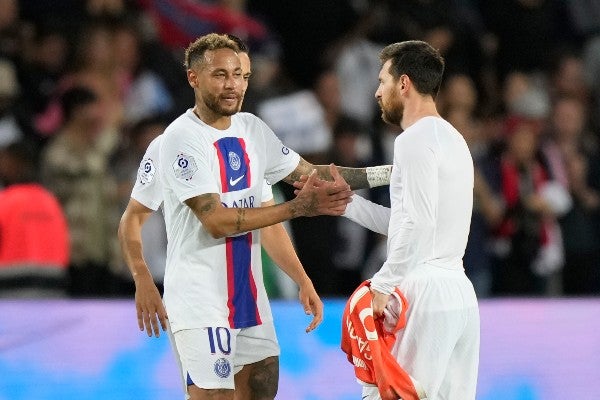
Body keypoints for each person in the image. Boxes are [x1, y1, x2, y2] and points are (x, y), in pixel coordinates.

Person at [119, 33, 391, 400]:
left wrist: (394, 172)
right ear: (193, 78)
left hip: (249, 298)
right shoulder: (180, 140)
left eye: (240, 75)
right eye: (221, 74)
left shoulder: (252, 130)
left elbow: (310, 178)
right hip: (200, 300)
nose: (233, 85)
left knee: (263, 390)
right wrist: (143, 279)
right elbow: (207, 219)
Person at [339, 41, 479, 399]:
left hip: (424, 289)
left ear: (404, 84)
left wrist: (383, 285)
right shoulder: (454, 139)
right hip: (459, 294)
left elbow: (416, 224)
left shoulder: (413, 140)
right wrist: (347, 205)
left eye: (382, 81)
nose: (376, 92)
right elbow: (413, 223)